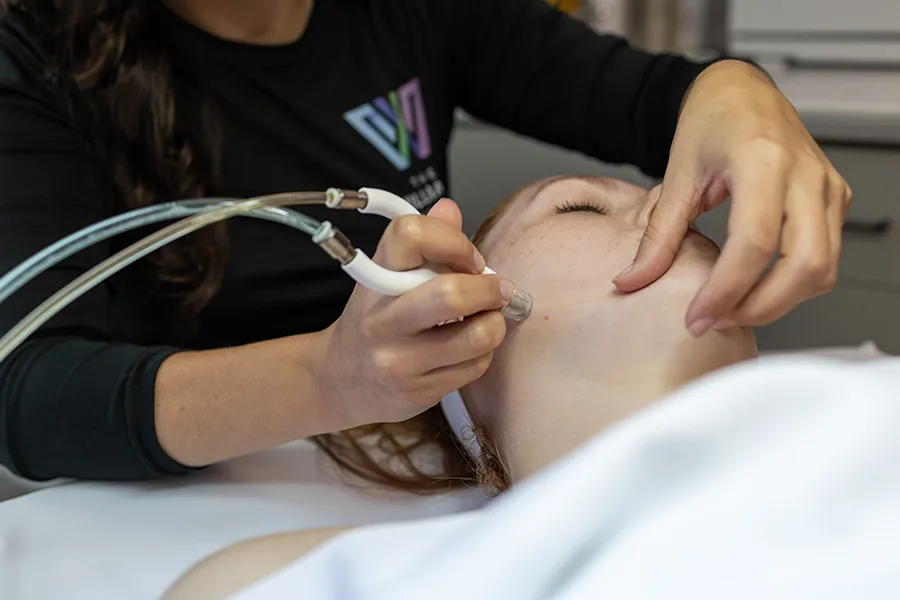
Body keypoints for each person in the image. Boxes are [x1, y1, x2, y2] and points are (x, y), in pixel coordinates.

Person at [0, 0, 850, 483]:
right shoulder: (35, 56)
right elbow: (28, 394)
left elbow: (646, 95)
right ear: (480, 423)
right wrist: (326, 380)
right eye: (580, 210)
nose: (660, 211)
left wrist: (737, 93)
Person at [163, 174, 766, 599]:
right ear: (467, 358)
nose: (672, 201)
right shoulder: (310, 584)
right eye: (579, 207)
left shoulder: (855, 431)